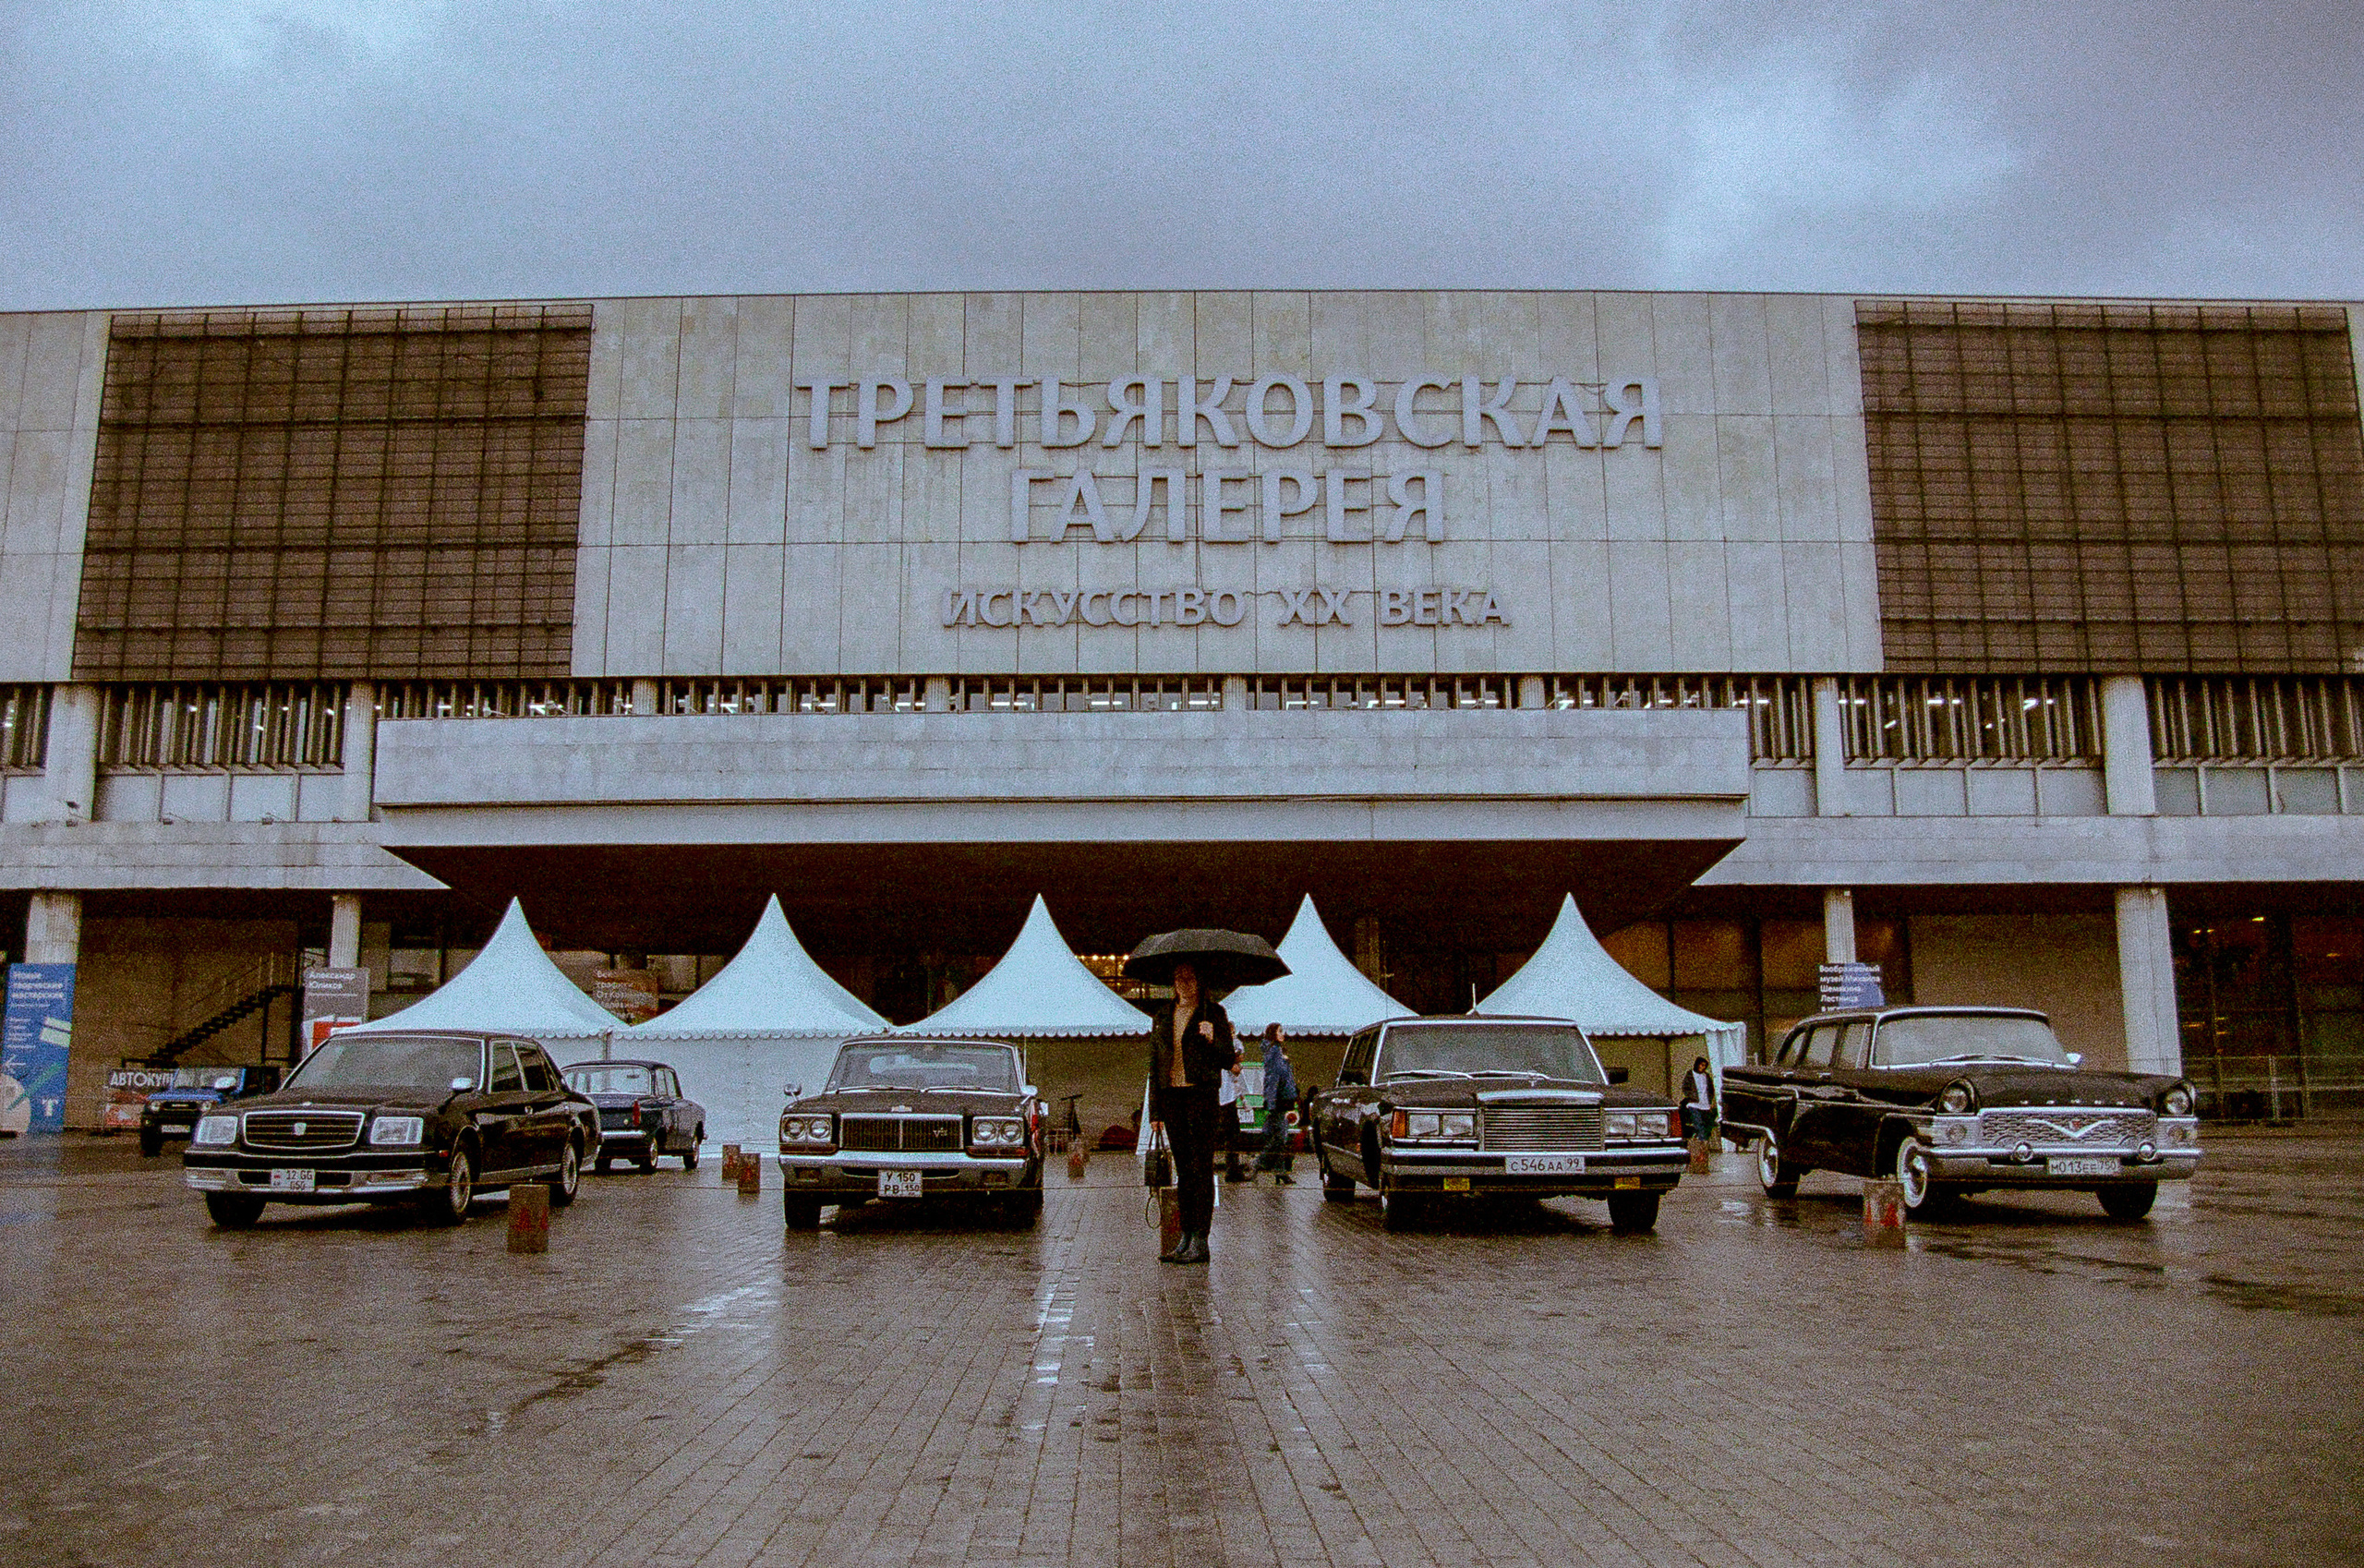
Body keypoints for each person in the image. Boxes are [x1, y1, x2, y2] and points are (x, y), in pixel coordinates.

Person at [1146, 960, 1236, 1264]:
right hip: (1172, 1098)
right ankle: (1185, 1236)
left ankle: (1201, 1238)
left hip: (1201, 1096)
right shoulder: (1162, 1016)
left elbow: (1227, 1059)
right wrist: (1155, 1110)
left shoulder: (1214, 1014)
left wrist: (1213, 1037)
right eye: (1179, 977)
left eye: (1190, 977)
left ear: (1199, 981)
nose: (1184, 983)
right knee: (1183, 1170)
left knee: (1201, 1167)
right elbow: (1155, 1065)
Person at [1253, 1023, 1298, 1183]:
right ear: (1273, 1034)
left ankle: (1279, 1170)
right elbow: (1273, 1078)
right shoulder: (1274, 1051)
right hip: (1279, 1099)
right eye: (1280, 1031)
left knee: (1279, 1136)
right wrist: (1271, 1102)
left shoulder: (1277, 1051)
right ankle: (1260, 1163)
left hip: (1283, 1098)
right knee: (1279, 1138)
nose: (1283, 1034)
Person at [1682, 1055, 1719, 1147]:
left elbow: (1711, 1090)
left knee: (1706, 1124)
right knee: (1698, 1123)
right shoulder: (1690, 1074)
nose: (1702, 1068)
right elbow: (1685, 1088)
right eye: (1701, 1065)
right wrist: (1691, 1096)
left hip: (1705, 1104)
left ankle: (1701, 1139)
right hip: (1694, 1104)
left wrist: (1710, 1101)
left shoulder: (1706, 1076)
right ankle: (1703, 1143)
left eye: (1704, 1066)